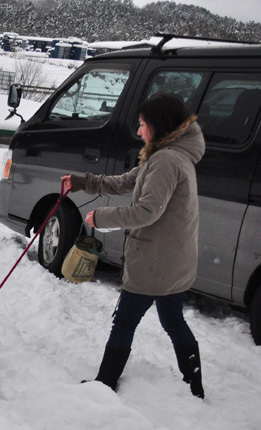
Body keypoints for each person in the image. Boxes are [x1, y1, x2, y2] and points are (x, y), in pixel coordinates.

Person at [62, 93, 205, 398]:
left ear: (160, 125)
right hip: (173, 261)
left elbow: (146, 211)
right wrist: (83, 181)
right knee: (173, 320)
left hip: (155, 262)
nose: (139, 132)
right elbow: (126, 182)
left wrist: (100, 216)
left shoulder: (166, 160)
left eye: (143, 125)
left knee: (124, 320)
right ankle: (194, 386)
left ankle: (105, 383)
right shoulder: (171, 155)